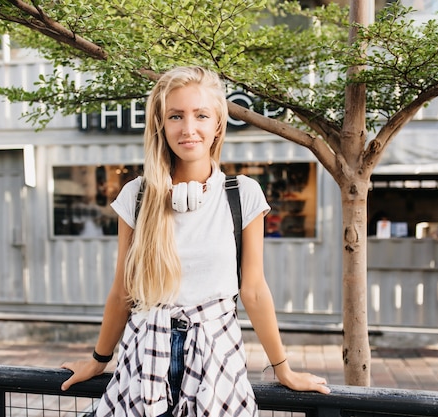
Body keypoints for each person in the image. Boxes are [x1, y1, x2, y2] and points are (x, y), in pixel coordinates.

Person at [60, 66, 330, 416]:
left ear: (218, 123)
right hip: (143, 357)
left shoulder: (242, 194)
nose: (189, 128)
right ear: (160, 123)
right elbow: (122, 291)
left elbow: (255, 290)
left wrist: (283, 369)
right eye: (176, 116)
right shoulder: (137, 196)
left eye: (201, 115)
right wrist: (99, 360)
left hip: (215, 357)